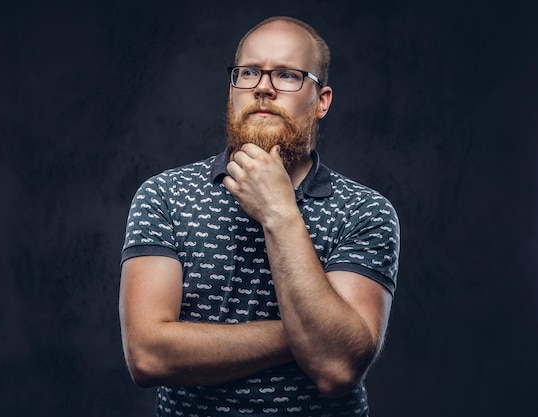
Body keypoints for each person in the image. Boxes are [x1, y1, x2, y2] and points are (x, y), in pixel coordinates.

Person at [119, 16, 400, 417]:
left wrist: (279, 213)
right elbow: (147, 356)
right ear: (232, 90)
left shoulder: (366, 211)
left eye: (287, 75)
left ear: (322, 101)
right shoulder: (165, 195)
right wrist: (308, 337)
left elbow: (337, 369)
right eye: (248, 73)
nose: (263, 88)